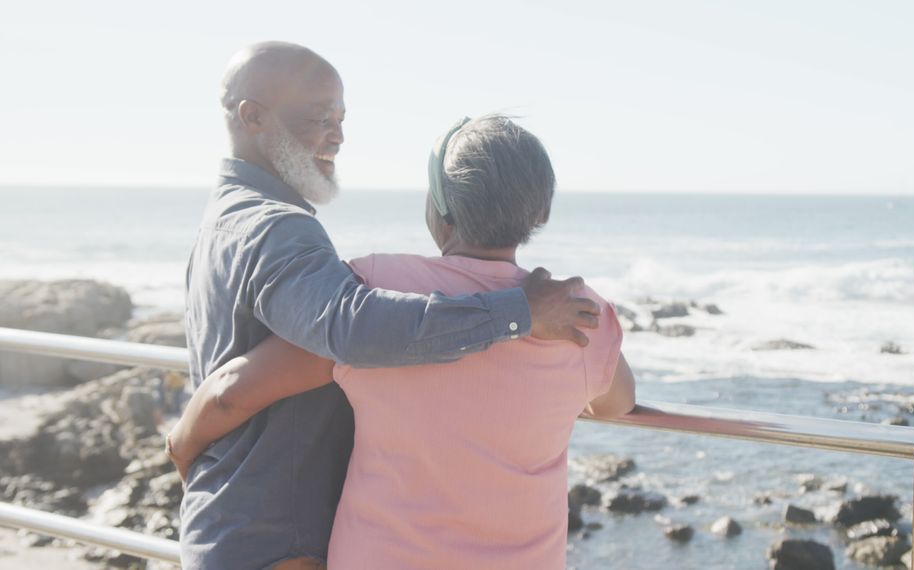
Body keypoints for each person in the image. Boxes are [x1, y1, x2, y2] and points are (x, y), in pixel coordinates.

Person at [177, 42, 601, 570]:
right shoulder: (276, 227)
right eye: (320, 118)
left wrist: (189, 444)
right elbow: (355, 328)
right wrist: (518, 312)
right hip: (270, 541)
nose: (338, 135)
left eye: (342, 118)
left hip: (236, 525)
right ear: (253, 117)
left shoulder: (225, 218)